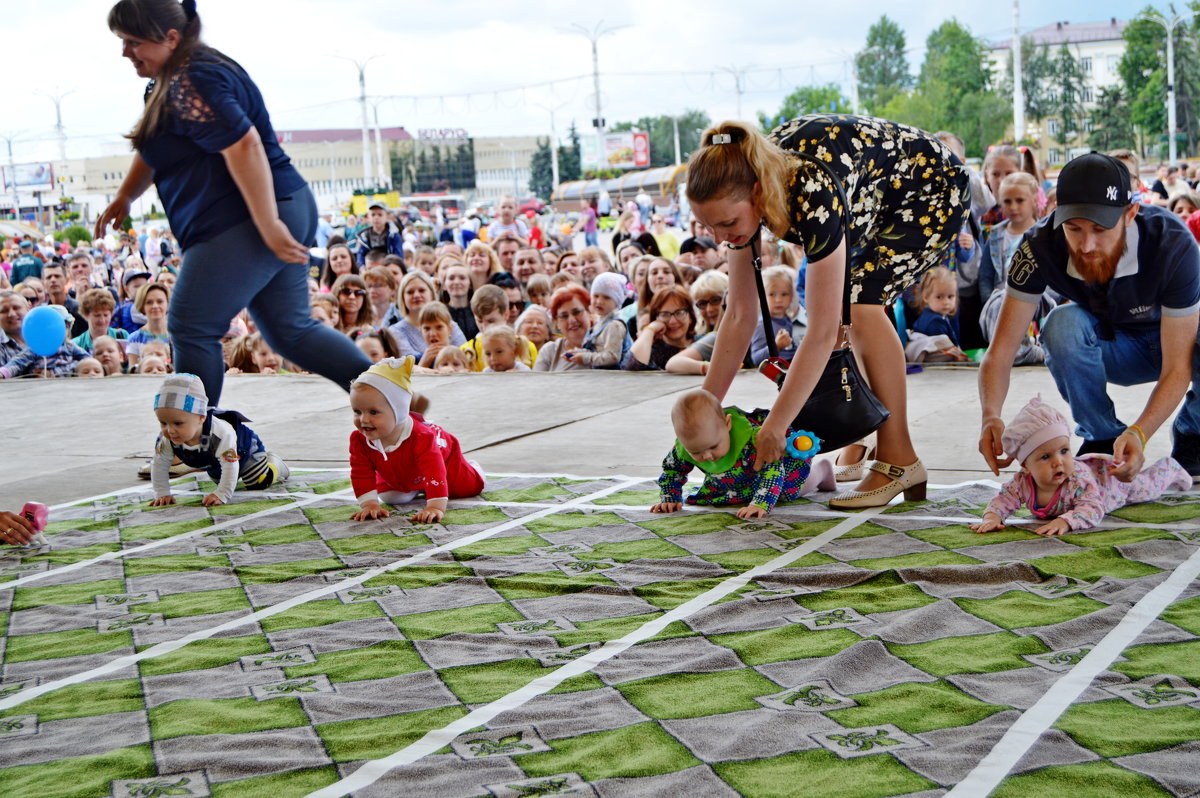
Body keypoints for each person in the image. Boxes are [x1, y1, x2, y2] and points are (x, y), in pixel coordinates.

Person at [686, 117, 970, 508]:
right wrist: (702, 416)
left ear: (757, 193)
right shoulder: (743, 181)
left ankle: (898, 457)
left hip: (931, 189)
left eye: (727, 223)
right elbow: (738, 316)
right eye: (708, 226)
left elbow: (821, 329)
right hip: (872, 193)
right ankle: (858, 436)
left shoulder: (811, 190)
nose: (720, 238)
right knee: (847, 306)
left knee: (859, 303)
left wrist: (776, 426)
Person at [97, 0, 371, 405]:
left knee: (191, 324)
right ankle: (392, 401)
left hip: (250, 216)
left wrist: (268, 224)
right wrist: (126, 194)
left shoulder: (193, 79)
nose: (125, 52)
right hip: (270, 209)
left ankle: (194, 437)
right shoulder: (169, 81)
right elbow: (154, 144)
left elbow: (244, 146)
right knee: (289, 330)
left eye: (133, 42)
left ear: (171, 38)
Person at [979, 152, 1200, 484]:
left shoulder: (1172, 243)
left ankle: (1193, 431)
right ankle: (1101, 435)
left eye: (1100, 228)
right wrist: (989, 415)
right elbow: (1000, 351)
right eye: (1074, 228)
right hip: (1111, 348)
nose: (1086, 245)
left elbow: (1177, 367)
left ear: (1131, 213)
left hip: (1175, 347)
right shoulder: (1037, 248)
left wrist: (1141, 432)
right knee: (1061, 324)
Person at [972, 396, 1192, 536]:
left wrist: (1066, 521)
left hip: (1113, 483)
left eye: (1064, 451)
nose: (1059, 461)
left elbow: (1094, 508)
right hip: (1100, 481)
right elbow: (1005, 499)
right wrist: (993, 516)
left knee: (1147, 488)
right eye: (1046, 457)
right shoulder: (1022, 482)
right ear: (1026, 467)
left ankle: (1169, 468)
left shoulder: (1077, 480)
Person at [651, 388, 834, 520]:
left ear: (728, 424)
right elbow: (672, 471)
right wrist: (670, 497)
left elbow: (773, 469)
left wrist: (761, 503)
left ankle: (822, 471)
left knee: (792, 491)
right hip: (734, 486)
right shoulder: (686, 446)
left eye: (714, 447)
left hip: (778, 475)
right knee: (719, 495)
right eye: (696, 452)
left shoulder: (753, 438)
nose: (707, 456)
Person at [348, 357, 485, 523]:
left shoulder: (422, 437)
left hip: (444, 460)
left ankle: (474, 470)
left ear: (398, 411)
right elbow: (361, 472)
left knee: (466, 488)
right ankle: (417, 486)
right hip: (404, 468)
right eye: (357, 411)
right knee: (390, 497)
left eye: (373, 412)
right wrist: (369, 504)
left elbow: (434, 472)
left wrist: (435, 506)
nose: (363, 419)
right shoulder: (359, 439)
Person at [149, 373, 288, 507]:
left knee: (258, 482)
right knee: (221, 480)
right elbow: (159, 464)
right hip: (215, 463)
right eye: (163, 423)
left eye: (178, 423)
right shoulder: (166, 438)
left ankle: (274, 463)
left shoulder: (220, 433)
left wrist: (222, 494)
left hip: (245, 452)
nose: (170, 430)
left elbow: (230, 465)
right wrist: (162, 493)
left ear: (201, 417)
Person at [978, 172, 1051, 366]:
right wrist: (990, 301)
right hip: (1003, 298)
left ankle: (1036, 348)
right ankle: (1024, 352)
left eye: (1020, 200)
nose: (1013, 207)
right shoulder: (995, 235)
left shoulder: (1045, 235)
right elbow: (986, 276)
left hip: (1038, 299)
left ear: (1034, 199)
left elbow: (1054, 277)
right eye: (1007, 201)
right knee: (1000, 306)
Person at [0, 305, 91, 379]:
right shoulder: (35, 348)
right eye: (49, 328)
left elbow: (87, 360)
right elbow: (18, 362)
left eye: (63, 328)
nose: (55, 332)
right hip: (40, 386)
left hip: (67, 384)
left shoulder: (70, 346)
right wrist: (3, 373)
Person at [391, 271, 466, 359]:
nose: (416, 295)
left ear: (431, 293)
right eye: (410, 292)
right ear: (402, 297)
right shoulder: (396, 332)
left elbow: (465, 356)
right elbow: (407, 365)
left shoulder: (450, 325)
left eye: (422, 290)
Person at [568, 272, 631, 369]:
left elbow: (612, 357)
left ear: (617, 301)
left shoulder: (614, 325)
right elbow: (598, 351)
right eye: (596, 296)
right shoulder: (601, 322)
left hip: (616, 378)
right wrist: (579, 353)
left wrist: (586, 358)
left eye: (606, 297)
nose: (599, 301)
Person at [624, 285, 696, 371]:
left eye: (679, 313)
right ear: (656, 318)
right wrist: (651, 329)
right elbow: (631, 367)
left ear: (690, 316)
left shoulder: (703, 343)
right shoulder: (651, 353)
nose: (672, 321)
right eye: (665, 314)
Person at [905, 267, 968, 363]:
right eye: (939, 297)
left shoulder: (934, 315)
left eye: (950, 296)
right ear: (926, 297)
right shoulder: (935, 323)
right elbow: (943, 354)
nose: (946, 302)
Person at [535, 285, 593, 372]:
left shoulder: (606, 345)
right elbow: (536, 384)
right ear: (557, 323)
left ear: (589, 312)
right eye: (564, 316)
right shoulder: (550, 352)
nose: (572, 320)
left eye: (576, 312)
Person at [749, 265, 798, 365]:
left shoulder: (787, 319)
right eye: (772, 294)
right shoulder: (761, 324)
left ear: (792, 296)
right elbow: (756, 359)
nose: (779, 300)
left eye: (784, 294)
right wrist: (776, 346)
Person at [126, 281, 171, 369]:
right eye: (149, 302)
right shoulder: (134, 338)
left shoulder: (177, 336)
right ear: (142, 306)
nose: (155, 306)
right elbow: (133, 372)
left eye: (160, 301)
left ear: (167, 303)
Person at [355, 200, 404, 265]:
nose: (376, 217)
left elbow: (398, 255)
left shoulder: (393, 235)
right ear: (368, 217)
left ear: (387, 217)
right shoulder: (365, 236)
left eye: (380, 215)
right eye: (373, 215)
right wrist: (362, 267)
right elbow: (361, 255)